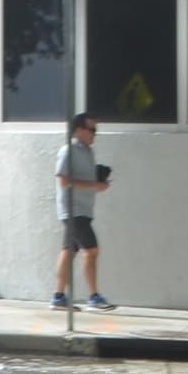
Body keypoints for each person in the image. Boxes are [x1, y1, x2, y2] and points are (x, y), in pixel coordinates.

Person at [53, 112, 113, 308]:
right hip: (73, 211)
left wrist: (98, 182)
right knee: (92, 250)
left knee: (69, 251)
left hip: (83, 211)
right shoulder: (68, 150)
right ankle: (94, 297)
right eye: (92, 129)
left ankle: (58, 297)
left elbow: (85, 181)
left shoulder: (88, 152)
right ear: (78, 130)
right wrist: (92, 185)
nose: (95, 133)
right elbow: (63, 180)